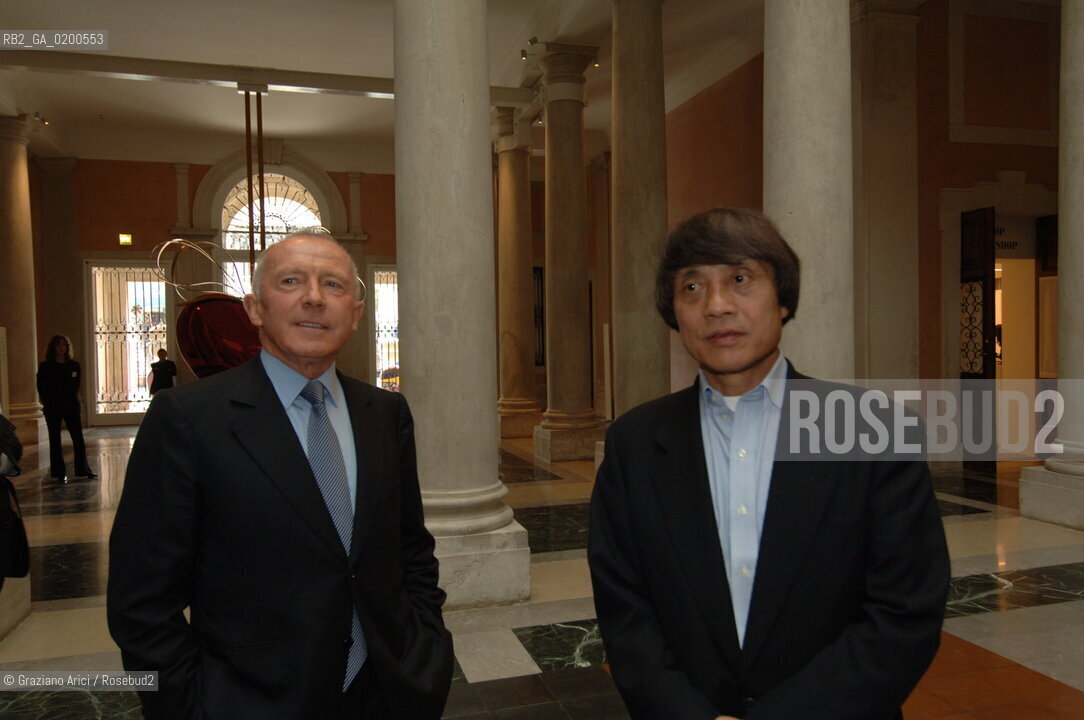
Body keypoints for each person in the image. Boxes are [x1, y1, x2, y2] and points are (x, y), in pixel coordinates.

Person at [588, 208, 949, 719]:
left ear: (783, 299)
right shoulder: (635, 444)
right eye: (692, 288)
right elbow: (626, 613)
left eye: (740, 279)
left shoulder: (871, 431)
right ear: (673, 312)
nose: (716, 306)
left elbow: (903, 614)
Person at [108, 228, 453, 720]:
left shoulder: (384, 412)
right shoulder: (187, 419)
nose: (314, 298)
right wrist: (191, 706)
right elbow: (140, 601)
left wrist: (427, 653)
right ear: (253, 307)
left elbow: (410, 549)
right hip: (252, 701)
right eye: (291, 281)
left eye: (334, 286)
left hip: (387, 691)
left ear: (355, 314)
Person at [36, 335, 96, 482]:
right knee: (55, 439)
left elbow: (75, 386)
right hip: (53, 406)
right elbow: (42, 387)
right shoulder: (45, 367)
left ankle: (83, 469)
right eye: (58, 345)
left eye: (64, 345)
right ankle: (59, 472)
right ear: (53, 347)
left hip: (70, 405)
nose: (62, 348)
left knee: (78, 437)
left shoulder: (74, 365)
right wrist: (49, 402)